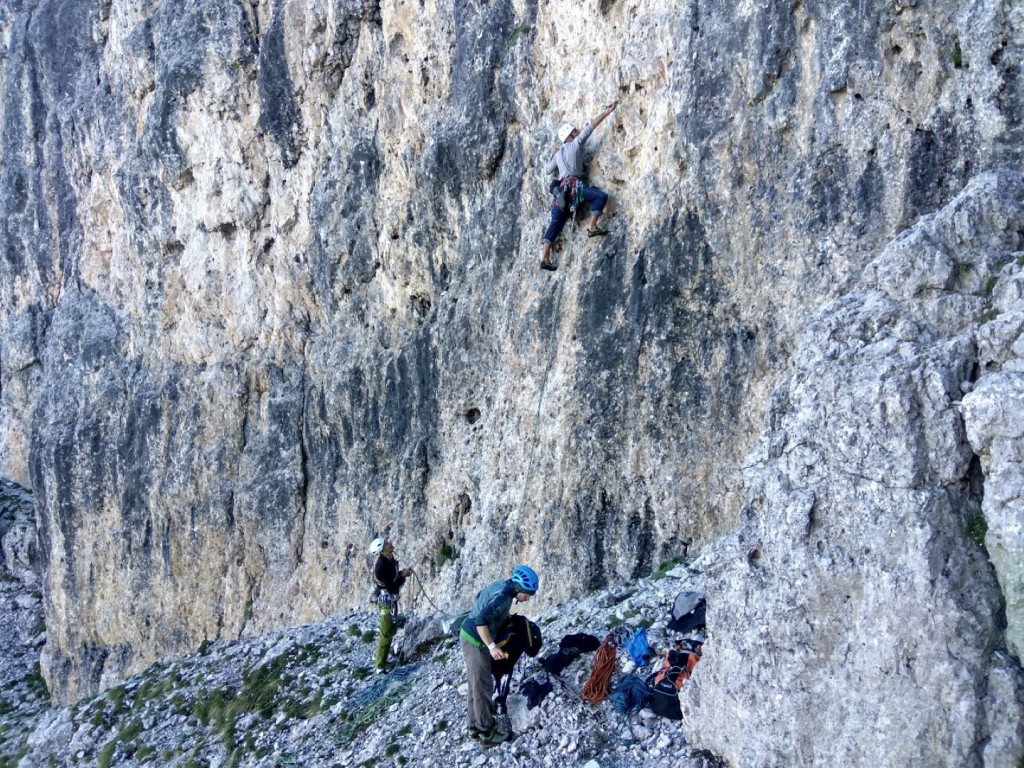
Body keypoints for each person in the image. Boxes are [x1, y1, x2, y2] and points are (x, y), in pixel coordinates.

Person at [459, 565, 540, 746]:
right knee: (483, 687)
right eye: (527, 594)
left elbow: (480, 596)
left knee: (475, 685)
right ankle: (486, 733)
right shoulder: (503, 597)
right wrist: (492, 646)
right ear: (518, 588)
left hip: (468, 636)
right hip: (475, 641)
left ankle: (474, 727)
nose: (527, 599)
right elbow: (480, 620)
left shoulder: (502, 587)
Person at [540, 100, 619, 271]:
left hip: (561, 192)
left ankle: (545, 258)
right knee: (601, 196)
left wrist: (553, 154)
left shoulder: (558, 154)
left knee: (556, 223)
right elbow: (590, 127)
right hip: (576, 189)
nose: (577, 132)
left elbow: (547, 170)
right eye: (574, 131)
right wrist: (607, 111)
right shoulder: (575, 144)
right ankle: (592, 227)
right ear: (569, 136)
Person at [370, 536, 413, 674]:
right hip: (386, 600)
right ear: (383, 550)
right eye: (387, 544)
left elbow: (393, 579)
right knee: (385, 633)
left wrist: (401, 573)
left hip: (391, 600)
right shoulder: (381, 566)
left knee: (391, 630)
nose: (390, 543)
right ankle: (379, 668)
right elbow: (391, 586)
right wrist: (403, 576)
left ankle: (383, 661)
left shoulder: (390, 559)